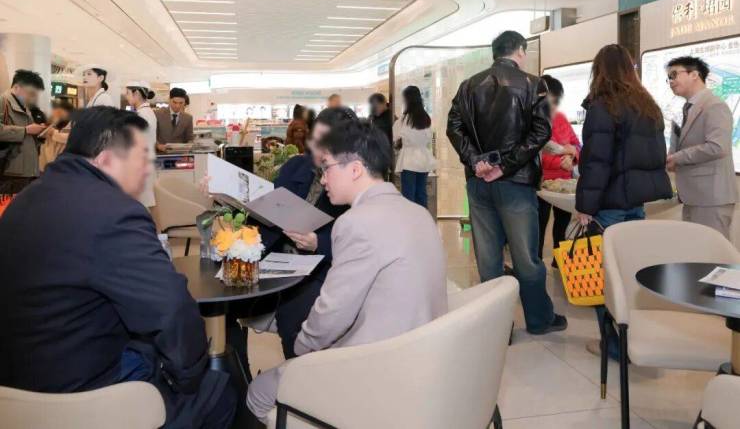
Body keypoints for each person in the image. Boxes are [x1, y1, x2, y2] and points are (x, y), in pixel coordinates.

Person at [0, 107, 236, 428]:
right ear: (107, 159)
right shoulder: (114, 212)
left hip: (17, 387)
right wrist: (191, 377)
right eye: (143, 159)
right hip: (80, 392)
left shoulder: (26, 200)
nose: (148, 171)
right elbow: (171, 309)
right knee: (218, 390)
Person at [246, 120, 448, 423]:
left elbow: (331, 316)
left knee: (258, 393)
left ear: (354, 169)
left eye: (326, 167)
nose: (322, 178)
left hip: (372, 368)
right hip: (424, 357)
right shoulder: (419, 212)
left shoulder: (356, 223)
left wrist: (300, 349)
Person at [447, 30, 565, 334]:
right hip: (517, 183)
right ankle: (539, 320)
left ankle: (497, 328)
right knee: (526, 257)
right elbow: (541, 133)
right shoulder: (533, 85)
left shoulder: (468, 85)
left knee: (488, 260)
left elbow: (454, 127)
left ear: (494, 52)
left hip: (478, 183)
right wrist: (505, 166)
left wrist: (476, 161)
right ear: (520, 51)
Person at [228, 107, 358, 361]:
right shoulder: (297, 166)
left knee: (294, 317)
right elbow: (267, 210)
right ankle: (237, 375)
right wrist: (231, 203)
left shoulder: (353, 180)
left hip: (319, 268)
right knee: (224, 305)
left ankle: (298, 377)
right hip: (276, 257)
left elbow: (357, 241)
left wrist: (317, 242)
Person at [574, 44, 673, 359]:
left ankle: (614, 345)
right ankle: (634, 339)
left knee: (603, 276)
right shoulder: (647, 106)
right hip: (635, 204)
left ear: (599, 70)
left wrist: (585, 207)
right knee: (630, 273)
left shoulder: (603, 106)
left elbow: (597, 162)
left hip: (610, 206)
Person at [666, 56, 737, 239]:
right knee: (696, 251)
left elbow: (717, 147)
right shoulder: (686, 108)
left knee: (713, 251)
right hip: (694, 196)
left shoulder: (715, 105)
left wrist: (677, 158)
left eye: (674, 75)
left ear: (694, 74)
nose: (671, 81)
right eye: (669, 77)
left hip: (711, 197)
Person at [537, 74, 581, 266]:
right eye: (551, 102)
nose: (554, 107)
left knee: (562, 226)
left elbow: (576, 145)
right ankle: (536, 265)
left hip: (564, 185)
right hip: (542, 184)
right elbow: (538, 152)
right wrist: (562, 158)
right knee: (538, 227)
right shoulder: (535, 121)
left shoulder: (561, 118)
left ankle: (560, 263)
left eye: (556, 102)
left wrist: (573, 158)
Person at [0, 69, 47, 194]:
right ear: (17, 87)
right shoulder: (3, 101)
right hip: (10, 170)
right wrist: (25, 130)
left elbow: (27, 134)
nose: (32, 98)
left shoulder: (24, 106)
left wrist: (40, 133)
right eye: (30, 93)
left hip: (25, 169)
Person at [393, 85, 436, 207]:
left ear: (407, 99)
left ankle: (411, 218)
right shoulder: (426, 118)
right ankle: (423, 217)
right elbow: (428, 137)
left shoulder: (404, 119)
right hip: (423, 159)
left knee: (408, 196)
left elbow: (395, 136)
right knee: (421, 194)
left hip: (409, 160)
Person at [125, 81, 158, 208]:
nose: (126, 96)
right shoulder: (147, 112)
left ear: (137, 93)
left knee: (143, 203)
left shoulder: (142, 115)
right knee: (147, 201)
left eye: (128, 93)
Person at [39, 99, 74, 171]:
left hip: (66, 169)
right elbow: (45, 148)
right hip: (49, 168)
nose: (55, 113)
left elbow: (73, 138)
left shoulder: (75, 123)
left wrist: (54, 133)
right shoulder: (52, 124)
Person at [155, 87, 194, 151]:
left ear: (184, 102)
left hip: (180, 154)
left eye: (181, 103)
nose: (177, 106)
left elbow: (190, 138)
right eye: (174, 102)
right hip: (161, 153)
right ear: (169, 100)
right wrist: (158, 145)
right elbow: (151, 135)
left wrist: (189, 145)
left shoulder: (188, 118)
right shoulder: (157, 114)